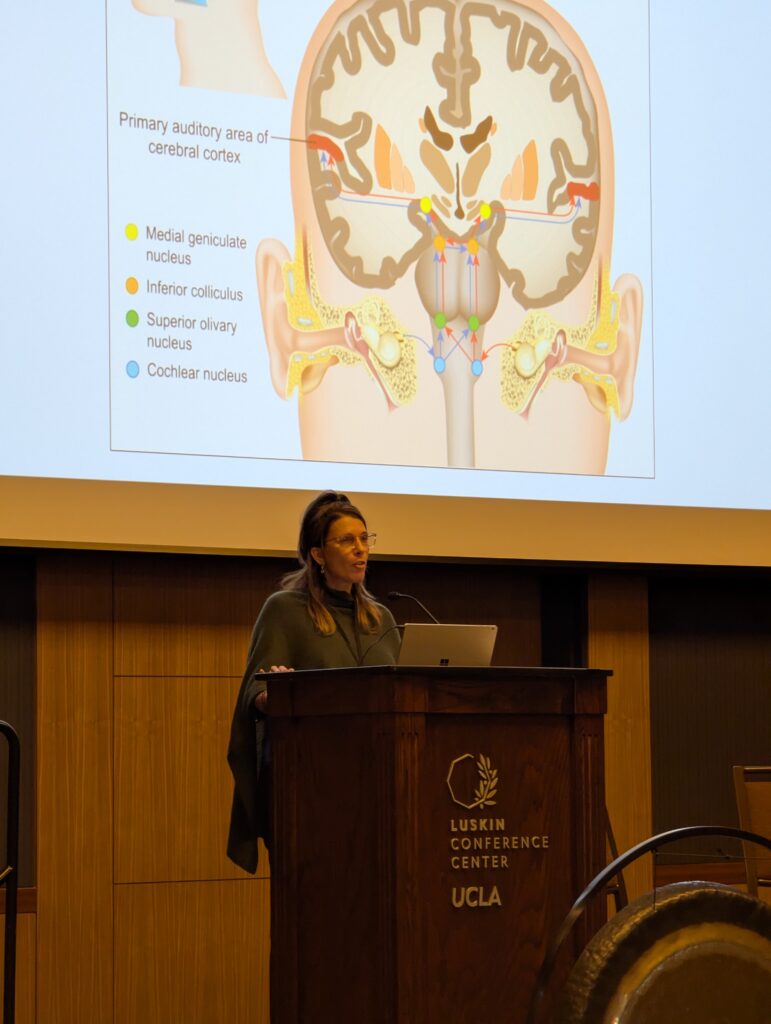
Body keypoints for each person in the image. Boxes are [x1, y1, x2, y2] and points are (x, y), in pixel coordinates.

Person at [226, 490, 401, 873]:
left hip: (379, 789)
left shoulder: (381, 620)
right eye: (346, 540)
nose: (360, 549)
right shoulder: (285, 610)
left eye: (364, 538)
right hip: (311, 789)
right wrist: (274, 696)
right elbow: (255, 693)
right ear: (318, 554)